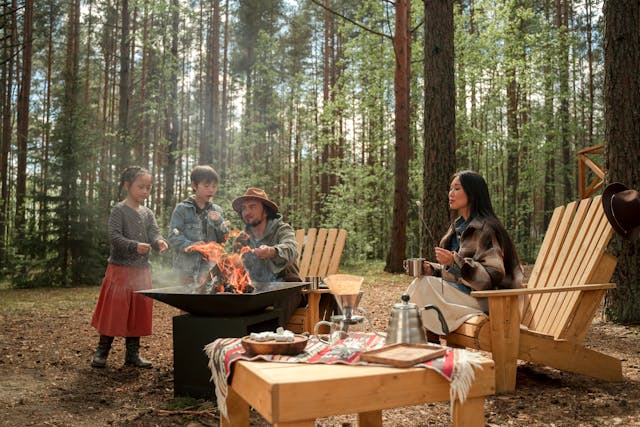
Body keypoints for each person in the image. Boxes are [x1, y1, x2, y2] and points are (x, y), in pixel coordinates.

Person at [407, 170, 523, 338]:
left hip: (493, 302)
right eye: (450, 188)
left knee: (424, 287)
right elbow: (458, 274)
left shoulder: (485, 228)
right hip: (467, 295)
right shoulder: (458, 227)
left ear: (472, 193)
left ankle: (425, 344)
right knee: (423, 281)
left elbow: (491, 279)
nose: (450, 194)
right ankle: (428, 344)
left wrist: (454, 262)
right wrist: (433, 270)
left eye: (457, 189)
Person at [90, 166, 169, 368]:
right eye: (140, 186)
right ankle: (102, 352)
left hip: (141, 271)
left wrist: (159, 242)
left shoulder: (147, 213)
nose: (145, 191)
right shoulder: (119, 210)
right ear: (127, 185)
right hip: (120, 269)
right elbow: (114, 237)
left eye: (148, 187)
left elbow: (154, 232)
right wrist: (134, 246)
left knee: (138, 310)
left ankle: (132, 355)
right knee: (114, 310)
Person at [231, 188, 301, 323]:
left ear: (266, 211)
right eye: (244, 208)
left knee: (292, 282)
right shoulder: (242, 238)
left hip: (282, 288)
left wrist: (272, 251)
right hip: (256, 290)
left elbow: (291, 249)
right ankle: (234, 335)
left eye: (252, 207)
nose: (247, 212)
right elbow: (236, 269)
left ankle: (272, 334)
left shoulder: (282, 229)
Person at [168, 165, 229, 284]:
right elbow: (173, 237)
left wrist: (218, 222)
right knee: (187, 301)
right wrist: (194, 246)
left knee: (208, 300)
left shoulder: (217, 210)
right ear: (194, 186)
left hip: (210, 269)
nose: (211, 190)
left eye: (214, 186)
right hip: (187, 270)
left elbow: (223, 240)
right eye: (206, 186)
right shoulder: (182, 209)